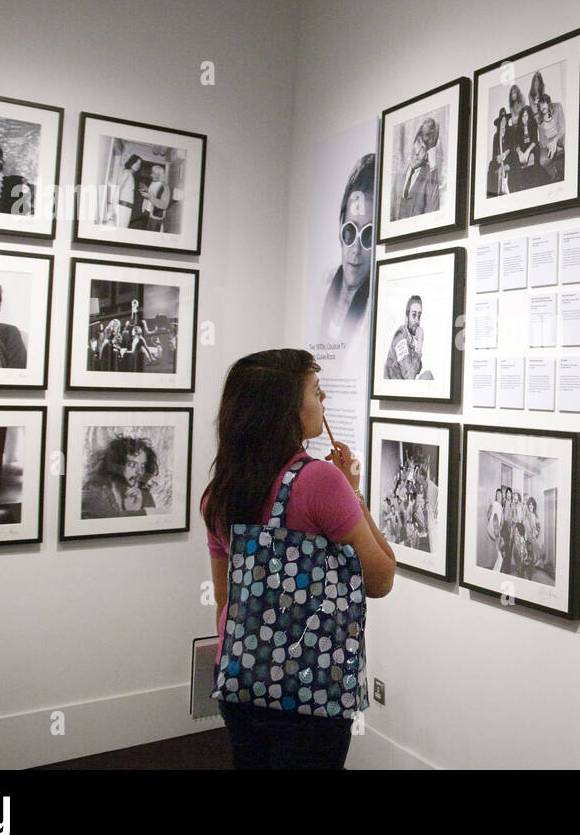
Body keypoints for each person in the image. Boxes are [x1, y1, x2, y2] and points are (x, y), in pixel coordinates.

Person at [204, 349, 395, 769]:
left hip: (241, 676)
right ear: (286, 407)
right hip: (310, 684)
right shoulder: (320, 481)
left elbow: (225, 600)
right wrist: (353, 494)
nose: (323, 397)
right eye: (314, 389)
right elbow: (381, 577)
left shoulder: (221, 488)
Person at [319, 154, 375, 346]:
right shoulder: (322, 284)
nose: (356, 249)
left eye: (368, 235)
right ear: (340, 225)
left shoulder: (371, 313)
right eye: (350, 231)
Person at [82, 436, 158, 519]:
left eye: (143, 466)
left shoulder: (145, 497)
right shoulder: (93, 493)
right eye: (132, 464)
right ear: (117, 465)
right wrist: (133, 513)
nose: (139, 472)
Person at [395, 117, 440, 218]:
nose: (415, 154)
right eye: (414, 149)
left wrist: (433, 165)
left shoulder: (429, 176)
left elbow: (433, 209)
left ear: (427, 154)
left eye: (420, 151)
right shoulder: (400, 175)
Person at [383, 295, 434, 380]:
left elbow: (417, 368)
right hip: (393, 389)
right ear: (407, 317)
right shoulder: (400, 337)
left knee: (428, 375)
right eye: (414, 315)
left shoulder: (409, 339)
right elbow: (410, 376)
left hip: (402, 388)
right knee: (428, 376)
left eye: (419, 316)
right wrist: (420, 342)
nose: (417, 321)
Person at [529, 71, 565, 182]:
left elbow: (562, 129)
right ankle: (554, 174)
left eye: (543, 103)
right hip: (547, 141)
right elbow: (541, 135)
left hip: (559, 137)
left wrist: (555, 141)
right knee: (542, 161)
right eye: (538, 105)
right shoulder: (538, 118)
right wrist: (545, 144)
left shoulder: (557, 107)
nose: (541, 106)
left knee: (569, 143)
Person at [110, 154, 143, 228]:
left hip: (127, 207)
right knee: (121, 227)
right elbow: (119, 188)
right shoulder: (127, 173)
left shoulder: (130, 174)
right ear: (131, 162)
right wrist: (114, 206)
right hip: (123, 207)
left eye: (139, 164)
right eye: (136, 163)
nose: (138, 165)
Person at [136, 163, 171, 232]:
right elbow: (152, 196)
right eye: (152, 172)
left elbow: (164, 205)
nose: (151, 175)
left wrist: (149, 196)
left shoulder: (165, 187)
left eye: (153, 173)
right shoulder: (153, 183)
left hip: (155, 218)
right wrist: (145, 190)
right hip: (146, 214)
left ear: (159, 175)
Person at [487, 107, 513, 196]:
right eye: (502, 120)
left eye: (505, 120)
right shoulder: (496, 136)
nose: (503, 122)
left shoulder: (511, 131)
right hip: (499, 159)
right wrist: (497, 158)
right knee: (491, 166)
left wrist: (505, 154)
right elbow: (494, 152)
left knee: (514, 160)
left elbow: (512, 146)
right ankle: (492, 193)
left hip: (508, 156)